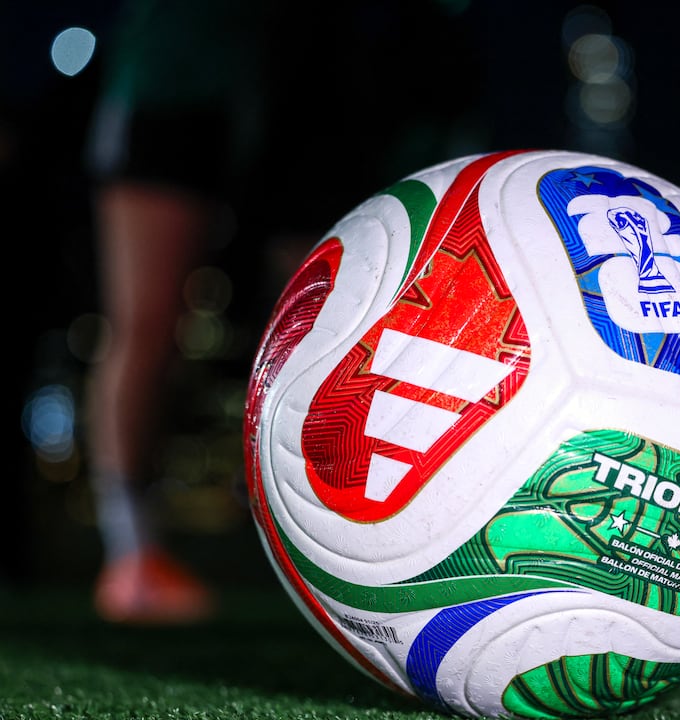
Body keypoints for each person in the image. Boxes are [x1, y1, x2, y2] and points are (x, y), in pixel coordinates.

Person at [83, 0, 487, 624]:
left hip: (305, 61)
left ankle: (330, 546)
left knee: (331, 325)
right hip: (179, 68)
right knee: (144, 324)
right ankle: (132, 556)